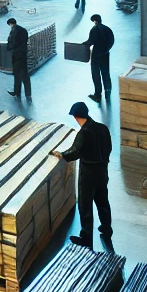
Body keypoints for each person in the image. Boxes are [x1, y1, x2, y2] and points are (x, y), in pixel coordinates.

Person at [51, 101, 113, 249]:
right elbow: (109, 148)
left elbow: (76, 152)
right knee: (103, 201)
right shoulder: (103, 129)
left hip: (88, 174)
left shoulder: (83, 133)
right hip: (102, 171)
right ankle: (106, 228)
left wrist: (62, 155)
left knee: (85, 206)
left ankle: (86, 238)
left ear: (76, 116)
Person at [84, 14, 114, 103]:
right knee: (106, 73)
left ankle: (98, 95)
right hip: (105, 54)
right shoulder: (107, 29)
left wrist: (83, 44)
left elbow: (91, 41)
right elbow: (112, 41)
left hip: (96, 54)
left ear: (94, 21)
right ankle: (108, 94)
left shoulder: (94, 29)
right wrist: (106, 49)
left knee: (96, 74)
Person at [6, 17, 31, 101]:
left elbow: (12, 42)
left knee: (17, 75)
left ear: (10, 24)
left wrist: (9, 47)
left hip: (17, 55)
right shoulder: (23, 30)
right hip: (23, 54)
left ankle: (17, 92)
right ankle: (28, 93)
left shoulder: (14, 31)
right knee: (25, 75)